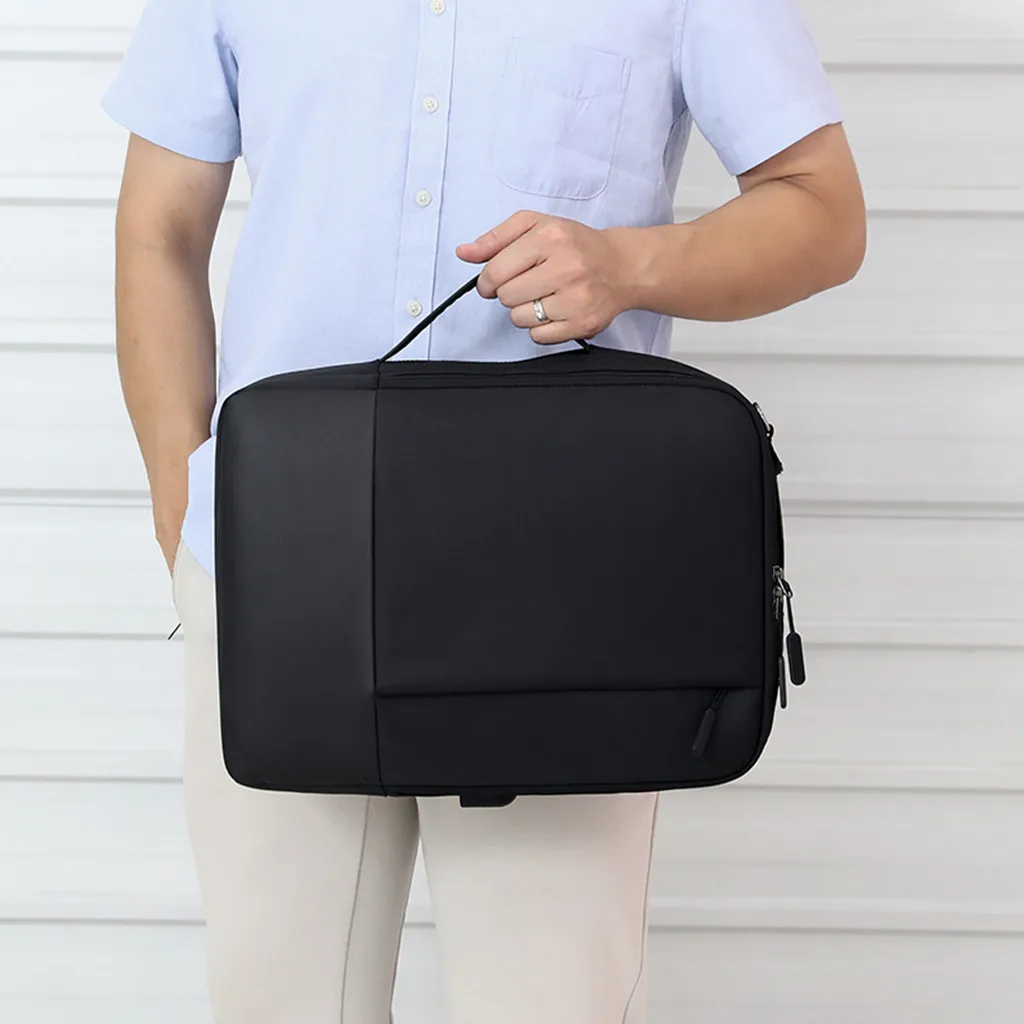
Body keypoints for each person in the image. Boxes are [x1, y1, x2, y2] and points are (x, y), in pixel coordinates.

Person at [102, 2, 865, 1022]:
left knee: (549, 1003)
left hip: (561, 577)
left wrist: (626, 264)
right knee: (278, 999)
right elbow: (159, 228)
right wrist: (187, 514)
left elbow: (823, 211)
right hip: (283, 572)